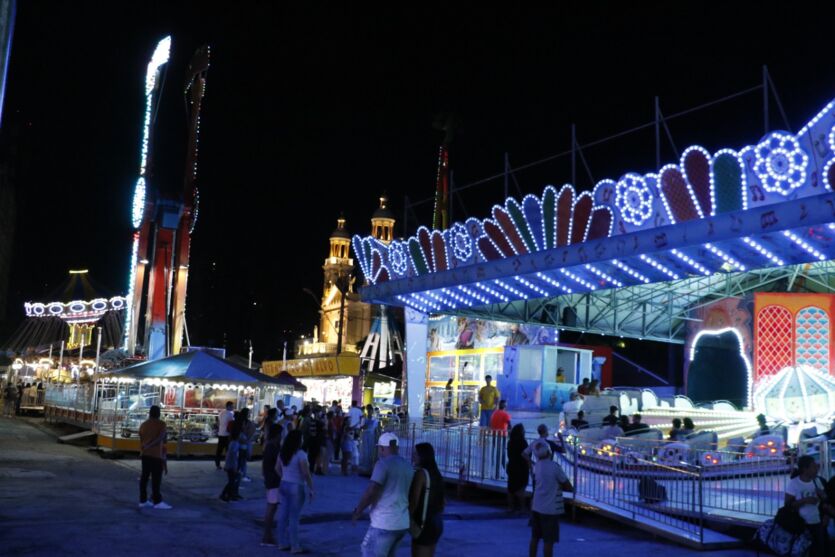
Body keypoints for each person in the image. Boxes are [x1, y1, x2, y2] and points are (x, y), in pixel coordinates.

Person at [353, 432, 414, 557]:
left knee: (369, 552)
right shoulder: (408, 466)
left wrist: (358, 511)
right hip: (402, 523)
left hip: (384, 522)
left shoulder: (383, 464)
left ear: (382, 448)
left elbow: (372, 490)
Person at [529, 442, 573, 557]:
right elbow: (567, 485)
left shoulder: (536, 466)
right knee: (549, 541)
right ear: (549, 452)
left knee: (535, 538)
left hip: (536, 506)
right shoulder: (554, 467)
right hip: (550, 509)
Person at [785, 455, 833, 557]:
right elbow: (788, 505)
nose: (817, 468)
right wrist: (804, 501)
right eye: (814, 466)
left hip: (817, 522)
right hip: (800, 523)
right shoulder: (794, 483)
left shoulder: (817, 481)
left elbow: (825, 501)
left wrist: (826, 515)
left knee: (819, 550)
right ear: (805, 469)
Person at [276, 430, 314, 553]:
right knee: (294, 517)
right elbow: (305, 473)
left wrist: (284, 476)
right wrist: (311, 487)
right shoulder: (301, 454)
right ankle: (295, 545)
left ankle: (282, 542)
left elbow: (277, 468)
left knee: (283, 515)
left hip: (284, 483)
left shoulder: (283, 453)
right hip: (296, 486)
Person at [409, 442, 445, 557]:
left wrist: (407, 518)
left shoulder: (421, 474)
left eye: (415, 454)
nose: (413, 456)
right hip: (437, 521)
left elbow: (414, 501)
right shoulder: (437, 474)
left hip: (423, 523)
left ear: (422, 456)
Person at [138, 405, 172, 509]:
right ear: (159, 413)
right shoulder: (161, 424)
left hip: (145, 454)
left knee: (144, 477)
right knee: (156, 479)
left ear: (149, 413)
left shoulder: (143, 425)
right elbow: (161, 438)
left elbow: (141, 438)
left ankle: (143, 500)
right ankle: (157, 501)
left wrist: (146, 446)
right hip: (156, 455)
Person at [261, 421, 283, 546]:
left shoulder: (272, 446)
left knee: (272, 507)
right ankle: (266, 536)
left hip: (272, 479)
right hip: (273, 480)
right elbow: (271, 465)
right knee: (271, 507)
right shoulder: (271, 447)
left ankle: (268, 535)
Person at [220, 412, 245, 502]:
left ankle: (229, 494)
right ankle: (225, 494)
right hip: (232, 465)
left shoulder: (233, 442)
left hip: (231, 464)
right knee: (232, 480)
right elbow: (233, 456)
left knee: (233, 480)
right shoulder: (235, 444)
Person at [506, 423, 529, 513]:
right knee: (521, 488)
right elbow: (527, 454)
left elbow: (509, 454)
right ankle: (522, 507)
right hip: (522, 467)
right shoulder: (523, 442)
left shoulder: (510, 442)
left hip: (512, 466)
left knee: (511, 488)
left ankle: (510, 507)